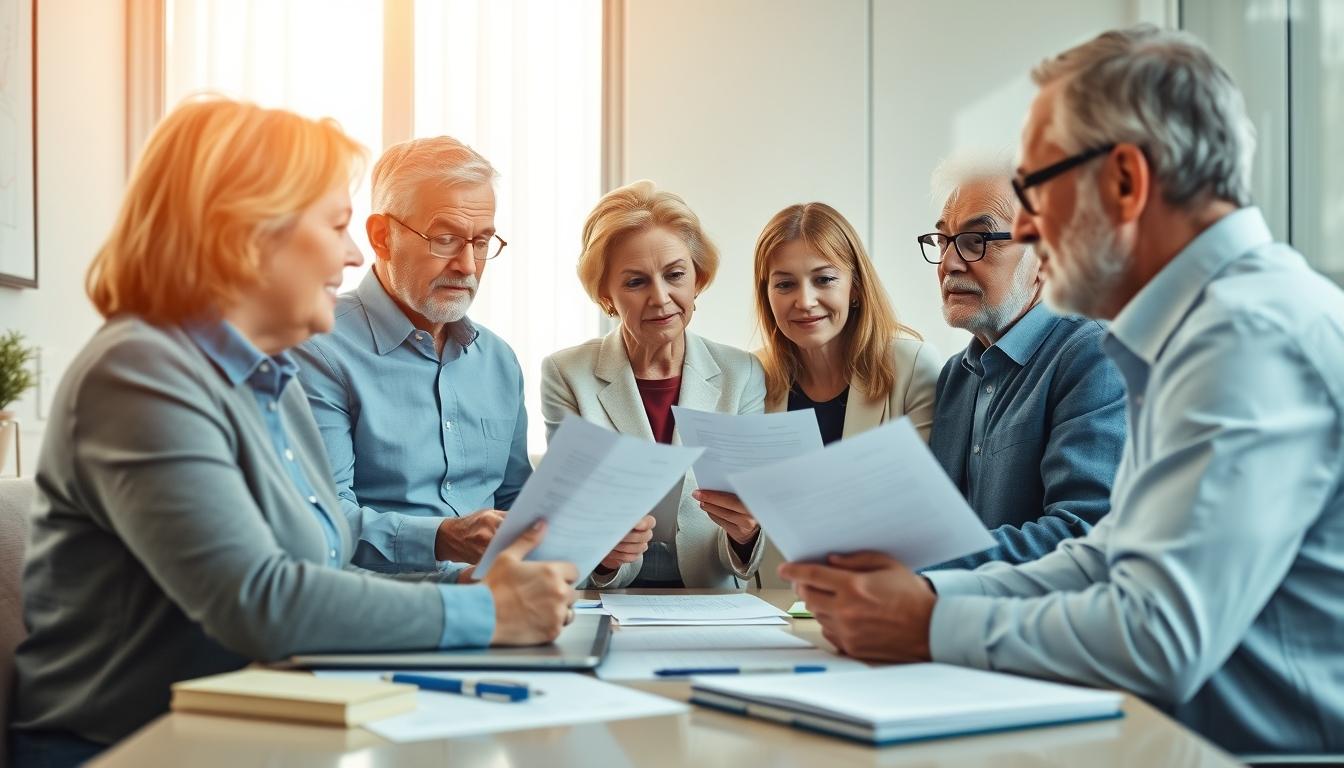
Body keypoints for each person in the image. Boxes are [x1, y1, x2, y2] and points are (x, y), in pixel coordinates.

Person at [781, 26, 1344, 754]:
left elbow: (1156, 635)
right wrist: (924, 595)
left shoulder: (1245, 336)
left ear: (1125, 182)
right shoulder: (1194, 331)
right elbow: (1102, 557)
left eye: (1039, 186)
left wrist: (926, 622)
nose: (1030, 224)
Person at [10, 99, 577, 765]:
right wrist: (486, 613)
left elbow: (320, 573)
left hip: (256, 724)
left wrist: (463, 590)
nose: (353, 254)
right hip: (126, 747)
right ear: (248, 233)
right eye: (336, 225)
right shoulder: (140, 372)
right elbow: (258, 600)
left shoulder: (267, 378)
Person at [293, 137, 642, 576]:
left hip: (503, 602)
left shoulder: (498, 360)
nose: (468, 265)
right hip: (389, 606)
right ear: (382, 237)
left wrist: (593, 545)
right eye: (445, 239)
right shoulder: (317, 349)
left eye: (481, 241)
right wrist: (441, 537)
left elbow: (516, 504)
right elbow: (321, 521)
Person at [693, 202, 941, 588]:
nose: (805, 301)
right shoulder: (752, 378)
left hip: (880, 598)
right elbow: (742, 546)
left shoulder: (912, 368)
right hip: (777, 605)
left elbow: (927, 513)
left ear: (855, 287)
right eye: (785, 284)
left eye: (824, 280)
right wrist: (743, 534)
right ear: (767, 294)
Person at [542, 180, 767, 588]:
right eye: (636, 282)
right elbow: (574, 518)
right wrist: (604, 556)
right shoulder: (566, 374)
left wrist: (746, 533)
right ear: (606, 295)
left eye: (675, 275)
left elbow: (741, 543)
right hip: (610, 597)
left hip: (710, 599)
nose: (661, 297)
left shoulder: (742, 373)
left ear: (697, 279)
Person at [917, 158, 1126, 569]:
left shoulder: (1094, 355)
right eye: (943, 241)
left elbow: (1081, 533)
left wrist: (918, 559)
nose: (948, 264)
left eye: (977, 240)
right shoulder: (956, 375)